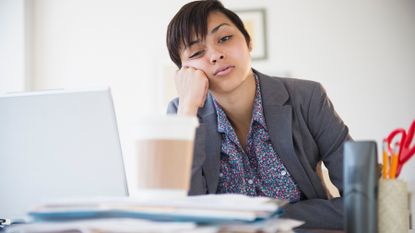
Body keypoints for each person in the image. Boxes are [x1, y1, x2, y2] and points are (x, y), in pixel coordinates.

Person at [166, 0, 351, 229]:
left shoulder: (307, 97)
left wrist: (269, 217)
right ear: (184, 72)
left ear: (248, 41)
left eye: (224, 38)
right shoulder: (182, 114)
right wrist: (187, 111)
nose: (215, 55)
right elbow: (180, 216)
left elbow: (363, 201)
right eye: (197, 52)